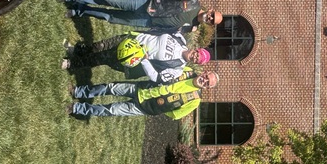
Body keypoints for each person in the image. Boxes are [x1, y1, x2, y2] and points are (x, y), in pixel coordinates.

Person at [61, 31, 211, 84]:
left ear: (196, 63)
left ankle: (71, 64)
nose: (195, 57)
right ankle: (77, 51)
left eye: (197, 60)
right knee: (101, 45)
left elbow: (157, 78)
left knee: (102, 58)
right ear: (196, 49)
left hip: (132, 58)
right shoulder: (180, 38)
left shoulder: (177, 69)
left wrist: (145, 60)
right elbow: (159, 30)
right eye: (197, 54)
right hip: (132, 39)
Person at [57, 0, 223, 31]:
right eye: (212, 15)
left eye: (212, 21)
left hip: (144, 21)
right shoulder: (192, 1)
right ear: (210, 10)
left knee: (109, 17)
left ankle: (79, 10)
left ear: (210, 24)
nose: (209, 18)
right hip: (145, 2)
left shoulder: (191, 27)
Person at [66, 71, 219, 118]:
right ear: (204, 72)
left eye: (207, 83)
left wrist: (159, 106)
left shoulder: (195, 101)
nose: (204, 80)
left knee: (110, 110)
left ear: (207, 88)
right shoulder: (187, 71)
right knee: (110, 87)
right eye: (206, 77)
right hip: (141, 88)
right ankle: (78, 91)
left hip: (144, 107)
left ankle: (77, 108)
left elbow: (175, 115)